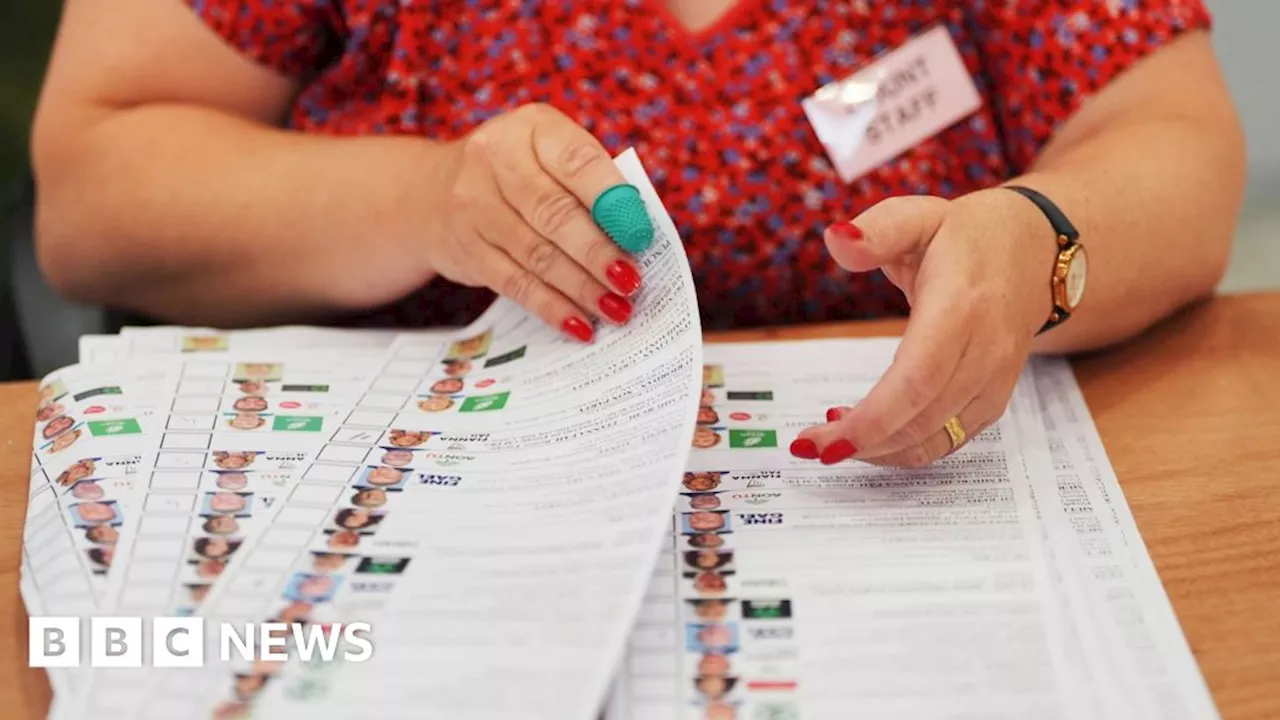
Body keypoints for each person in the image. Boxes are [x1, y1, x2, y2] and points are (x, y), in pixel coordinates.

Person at [33, 1, 1243, 469]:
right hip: (426, 495)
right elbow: (94, 196)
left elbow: (1167, 135)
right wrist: (422, 201)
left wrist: (1039, 237)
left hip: (922, 492)